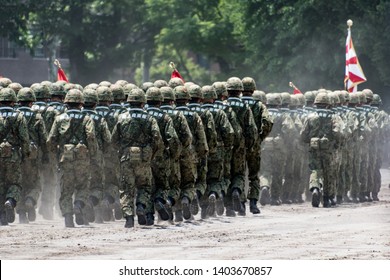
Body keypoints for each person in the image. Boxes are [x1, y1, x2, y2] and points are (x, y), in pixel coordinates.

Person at [111, 88, 163, 228]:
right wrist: (151, 153)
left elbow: (114, 139)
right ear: (142, 103)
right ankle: (141, 206)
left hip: (126, 158)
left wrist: (122, 151)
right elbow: (157, 138)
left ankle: (128, 218)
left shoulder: (121, 117)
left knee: (126, 189)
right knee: (145, 186)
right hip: (144, 159)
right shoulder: (150, 118)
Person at [47, 89, 98, 227]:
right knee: (82, 186)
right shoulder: (87, 118)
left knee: (66, 189)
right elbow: (91, 137)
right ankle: (79, 204)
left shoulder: (59, 118)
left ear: (67, 103)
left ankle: (68, 218)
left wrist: (54, 159)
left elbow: (51, 140)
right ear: (81, 103)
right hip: (82, 159)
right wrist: (94, 155)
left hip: (65, 158)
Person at [301, 91, 343, 207]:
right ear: (329, 104)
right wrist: (337, 144)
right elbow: (338, 133)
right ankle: (327, 199)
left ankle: (315, 188)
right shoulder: (334, 117)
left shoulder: (310, 117)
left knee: (315, 170)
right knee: (328, 173)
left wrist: (309, 141)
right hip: (328, 150)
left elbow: (303, 135)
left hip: (314, 149)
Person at [146, 86, 182, 221]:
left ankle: (149, 216)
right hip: (162, 156)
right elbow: (172, 138)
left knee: (147, 186)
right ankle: (160, 201)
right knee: (163, 185)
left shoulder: (144, 114)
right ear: (160, 102)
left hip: (145, 156)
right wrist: (174, 154)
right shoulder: (166, 117)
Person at [174, 85, 208, 220]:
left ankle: (177, 213)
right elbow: (201, 136)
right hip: (190, 154)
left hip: (173, 154)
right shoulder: (194, 115)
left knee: (175, 183)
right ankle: (187, 199)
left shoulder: (171, 113)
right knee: (189, 183)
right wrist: (203, 153)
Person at [160, 86, 193, 222]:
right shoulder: (177, 115)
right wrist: (180, 151)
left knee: (162, 184)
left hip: (158, 156)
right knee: (180, 184)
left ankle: (167, 207)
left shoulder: (155, 114)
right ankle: (177, 205)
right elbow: (187, 136)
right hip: (179, 154)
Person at [201, 85, 234, 218]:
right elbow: (229, 132)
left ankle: (204, 210)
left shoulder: (198, 112)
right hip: (218, 150)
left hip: (201, 151)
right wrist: (227, 147)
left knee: (203, 179)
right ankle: (214, 194)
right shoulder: (220, 112)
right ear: (214, 97)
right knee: (215, 178)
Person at [226, 77, 258, 216]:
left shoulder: (222, 105)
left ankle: (229, 208)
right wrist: (250, 145)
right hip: (241, 146)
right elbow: (251, 129)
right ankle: (237, 191)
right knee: (239, 174)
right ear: (240, 91)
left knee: (227, 175)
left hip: (226, 146)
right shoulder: (245, 107)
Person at [16, 87, 48, 223]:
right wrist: (46, 154)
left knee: (19, 183)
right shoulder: (37, 116)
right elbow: (44, 138)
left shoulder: (14, 115)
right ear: (31, 102)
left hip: (15, 155)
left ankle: (21, 212)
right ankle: (30, 200)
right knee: (34, 183)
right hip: (34, 156)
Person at [241, 77, 273, 213]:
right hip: (254, 144)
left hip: (238, 144)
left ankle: (240, 204)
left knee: (238, 174)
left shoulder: (234, 104)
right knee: (253, 175)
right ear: (253, 89)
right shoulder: (259, 105)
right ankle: (253, 203)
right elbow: (268, 122)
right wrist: (260, 137)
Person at [0, 87, 30, 226]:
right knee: (15, 184)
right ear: (13, 101)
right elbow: (24, 138)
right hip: (14, 155)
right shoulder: (18, 116)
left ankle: (2, 217)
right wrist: (26, 154)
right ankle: (10, 201)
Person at [82, 88, 112, 223]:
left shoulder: (67, 115)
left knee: (79, 184)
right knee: (97, 185)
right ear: (95, 103)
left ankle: (81, 208)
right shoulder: (99, 119)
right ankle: (93, 204)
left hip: (74, 157)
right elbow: (107, 140)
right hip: (97, 156)